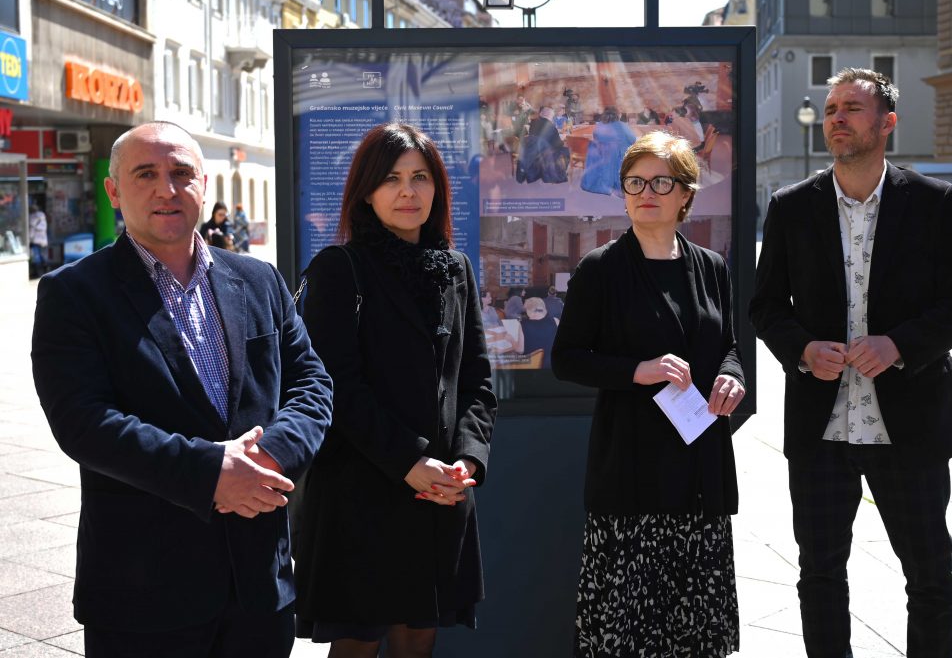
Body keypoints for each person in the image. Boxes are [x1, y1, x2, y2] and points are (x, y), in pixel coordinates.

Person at [30, 121, 333, 657]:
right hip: (145, 592)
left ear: (204, 184)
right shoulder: (74, 293)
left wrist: (267, 458)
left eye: (181, 173)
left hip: (259, 585)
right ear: (114, 191)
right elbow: (84, 422)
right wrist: (212, 472)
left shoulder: (260, 279)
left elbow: (311, 384)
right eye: (146, 174)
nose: (166, 189)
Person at [749, 68, 952, 658]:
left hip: (909, 424)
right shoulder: (790, 207)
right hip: (821, 425)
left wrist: (899, 345)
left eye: (852, 108)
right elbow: (765, 307)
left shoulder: (933, 203)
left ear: (887, 122)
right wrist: (802, 350)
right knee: (820, 574)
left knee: (929, 572)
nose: (837, 118)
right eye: (831, 109)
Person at [295, 122, 497, 658]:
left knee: (418, 640)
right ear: (365, 191)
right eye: (391, 179)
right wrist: (410, 461)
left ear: (438, 188)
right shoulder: (339, 268)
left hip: (440, 491)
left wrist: (468, 462)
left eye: (420, 177)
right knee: (357, 644)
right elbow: (335, 386)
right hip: (364, 489)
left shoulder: (455, 269)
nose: (408, 192)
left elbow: (477, 377)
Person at [552, 130, 746, 657]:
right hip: (631, 471)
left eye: (660, 181)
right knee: (628, 635)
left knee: (695, 634)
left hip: (699, 468)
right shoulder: (601, 269)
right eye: (634, 182)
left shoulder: (711, 267)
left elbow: (728, 346)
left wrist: (733, 376)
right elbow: (566, 359)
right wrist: (636, 370)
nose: (645, 192)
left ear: (686, 193)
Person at [581, 106, 638, 197]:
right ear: (617, 115)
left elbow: (596, 137)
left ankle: (606, 187)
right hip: (618, 157)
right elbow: (632, 139)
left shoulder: (599, 125)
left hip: (602, 157)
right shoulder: (622, 125)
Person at [516, 297, 558, 368]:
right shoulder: (556, 321)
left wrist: (510, 339)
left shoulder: (523, 324)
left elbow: (520, 350)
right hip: (552, 366)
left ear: (529, 310)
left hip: (531, 367)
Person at [28, 203, 48, 278]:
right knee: (43, 256)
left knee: (37, 257)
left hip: (35, 241)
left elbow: (31, 231)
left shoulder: (32, 218)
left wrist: (29, 239)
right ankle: (45, 271)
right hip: (43, 241)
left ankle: (40, 274)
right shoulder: (42, 217)